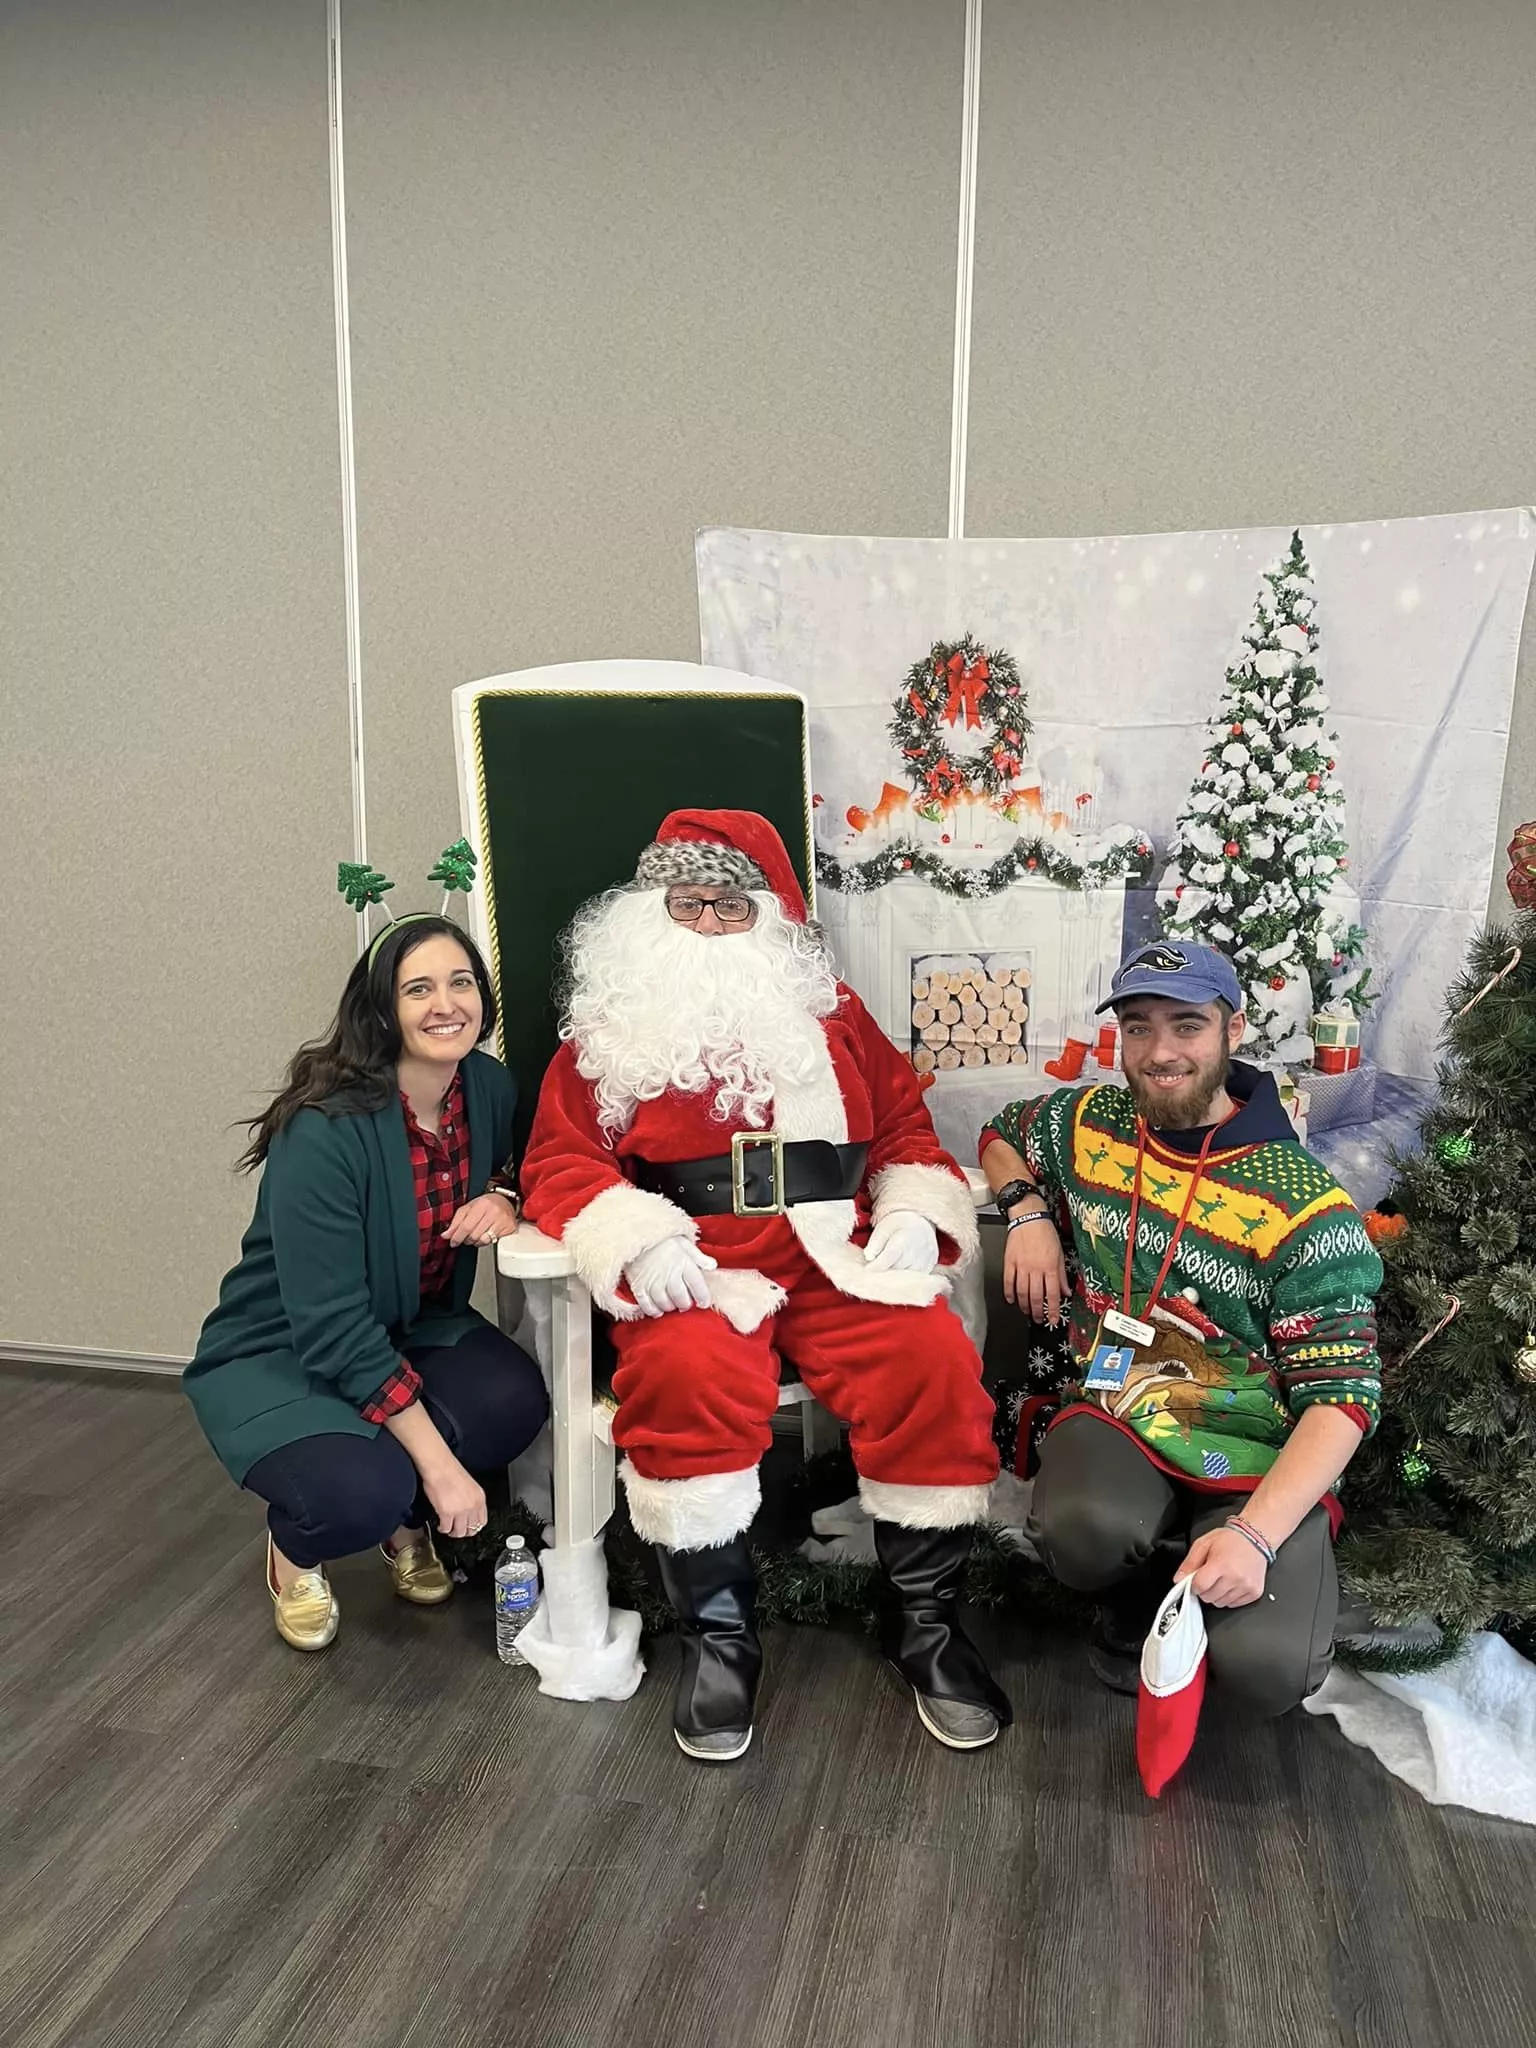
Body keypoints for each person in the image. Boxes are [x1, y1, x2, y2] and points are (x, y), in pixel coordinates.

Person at [520, 809, 1009, 1762]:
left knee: (930, 1361)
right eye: (687, 903)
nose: (705, 923)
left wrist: (911, 1211)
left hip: (833, 1253)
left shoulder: (836, 1016)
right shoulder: (608, 1038)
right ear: (650, 914)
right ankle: (722, 1642)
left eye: (729, 906)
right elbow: (560, 1162)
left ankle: (930, 1629)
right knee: (683, 1383)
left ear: (772, 919)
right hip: (696, 1266)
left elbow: (907, 1129)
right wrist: (639, 1240)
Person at [980, 938, 1382, 1713]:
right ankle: (1139, 1590)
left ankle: (1233, 1565)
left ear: (1233, 1031)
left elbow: (1343, 1397)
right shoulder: (1088, 1120)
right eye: (1137, 1026)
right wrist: (1026, 1210)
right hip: (1122, 1412)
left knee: (1269, 1672)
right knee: (1079, 1529)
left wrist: (1258, 1536)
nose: (1159, 1052)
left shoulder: (1305, 1207)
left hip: (1256, 1449)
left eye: (1186, 1025)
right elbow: (1000, 1134)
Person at [186, 913, 549, 1651]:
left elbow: (518, 1161)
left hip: (411, 1322)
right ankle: (298, 1554)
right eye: (418, 988)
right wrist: (442, 1470)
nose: (445, 1003)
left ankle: (402, 1524)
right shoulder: (323, 1130)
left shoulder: (487, 1085)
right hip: (288, 1341)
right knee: (358, 1488)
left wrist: (504, 1195)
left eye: (460, 983)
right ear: (382, 1009)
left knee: (514, 1399)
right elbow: (331, 1328)